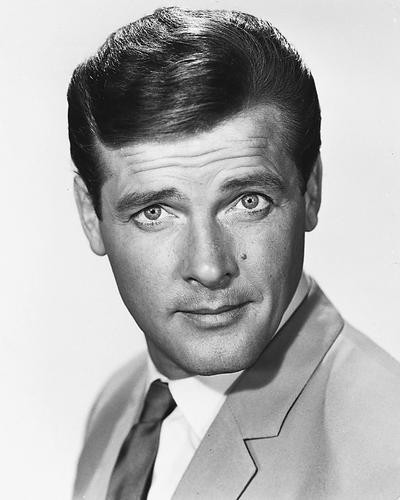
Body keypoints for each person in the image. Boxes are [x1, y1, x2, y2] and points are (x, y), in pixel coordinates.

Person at [68, 7, 400, 499]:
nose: (208, 267)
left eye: (248, 202)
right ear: (90, 215)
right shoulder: (121, 404)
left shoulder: (387, 455)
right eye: (155, 212)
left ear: (311, 190)